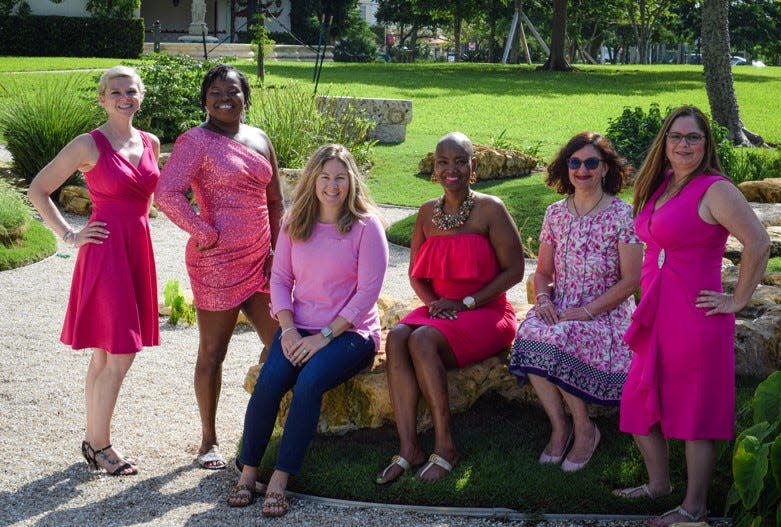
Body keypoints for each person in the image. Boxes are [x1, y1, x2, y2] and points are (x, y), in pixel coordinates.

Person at [616, 106, 770, 526]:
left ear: (706, 145)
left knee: (694, 412)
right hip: (655, 312)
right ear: (665, 143)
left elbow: (758, 243)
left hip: (694, 316)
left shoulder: (714, 189)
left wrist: (737, 300)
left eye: (694, 138)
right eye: (676, 137)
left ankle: (694, 506)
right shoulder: (662, 182)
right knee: (637, 396)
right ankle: (658, 484)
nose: (684, 145)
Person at [226, 144, 388, 517]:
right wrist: (288, 331)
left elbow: (367, 294)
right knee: (270, 379)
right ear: (312, 180)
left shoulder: (366, 227)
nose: (332, 186)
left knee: (311, 379)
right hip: (298, 329)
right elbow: (280, 279)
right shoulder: (294, 222)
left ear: (351, 182)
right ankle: (249, 471)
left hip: (350, 334)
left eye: (340, 178)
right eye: (325, 177)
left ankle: (281, 478)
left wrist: (323, 337)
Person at [27, 65, 160, 476]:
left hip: (137, 251)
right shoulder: (89, 144)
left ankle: (92, 439)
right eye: (116, 91)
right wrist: (69, 234)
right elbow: (38, 189)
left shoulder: (151, 141)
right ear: (102, 98)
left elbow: (153, 198)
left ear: (140, 96)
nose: (125, 97)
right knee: (120, 353)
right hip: (104, 254)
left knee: (106, 355)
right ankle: (101, 445)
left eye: (132, 90)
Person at [375, 132, 524, 485]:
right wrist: (435, 306)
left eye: (460, 161)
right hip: (443, 311)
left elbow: (515, 270)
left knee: (422, 339)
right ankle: (409, 447)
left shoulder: (491, 209)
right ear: (434, 167)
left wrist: (466, 303)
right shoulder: (427, 212)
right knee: (397, 336)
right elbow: (416, 275)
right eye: (443, 162)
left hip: (486, 312)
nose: (451, 169)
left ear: (473, 166)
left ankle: (445, 447)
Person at [155, 64, 284, 470]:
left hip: (262, 261)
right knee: (213, 352)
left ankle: (268, 427)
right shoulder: (195, 142)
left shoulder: (260, 138)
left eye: (232, 90)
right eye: (214, 91)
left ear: (246, 97)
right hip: (215, 262)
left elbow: (276, 201)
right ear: (204, 99)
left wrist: (278, 253)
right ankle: (208, 440)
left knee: (282, 343)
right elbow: (167, 192)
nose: (224, 97)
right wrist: (203, 231)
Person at [508, 132, 643, 472]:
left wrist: (585, 312)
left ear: (604, 169)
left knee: (561, 338)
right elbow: (542, 272)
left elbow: (631, 281)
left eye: (591, 163)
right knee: (529, 334)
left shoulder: (622, 215)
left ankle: (586, 429)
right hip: (563, 305)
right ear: (566, 167)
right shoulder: (555, 213)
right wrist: (543, 300)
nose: (582, 169)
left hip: (606, 314)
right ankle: (560, 426)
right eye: (575, 162)